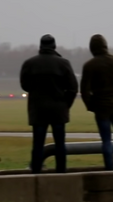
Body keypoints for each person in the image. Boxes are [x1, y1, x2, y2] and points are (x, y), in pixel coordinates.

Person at [19, 34, 78, 174]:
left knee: (38, 144)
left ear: (40, 46)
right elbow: (73, 88)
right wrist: (65, 104)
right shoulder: (63, 63)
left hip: (38, 109)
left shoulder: (30, 63)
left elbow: (25, 85)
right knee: (60, 145)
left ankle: (36, 173)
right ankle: (61, 173)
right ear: (54, 46)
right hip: (58, 108)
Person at [80, 34, 113, 170]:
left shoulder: (89, 66)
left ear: (92, 48)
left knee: (106, 141)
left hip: (101, 109)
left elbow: (84, 90)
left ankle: (109, 170)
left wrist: (91, 106)